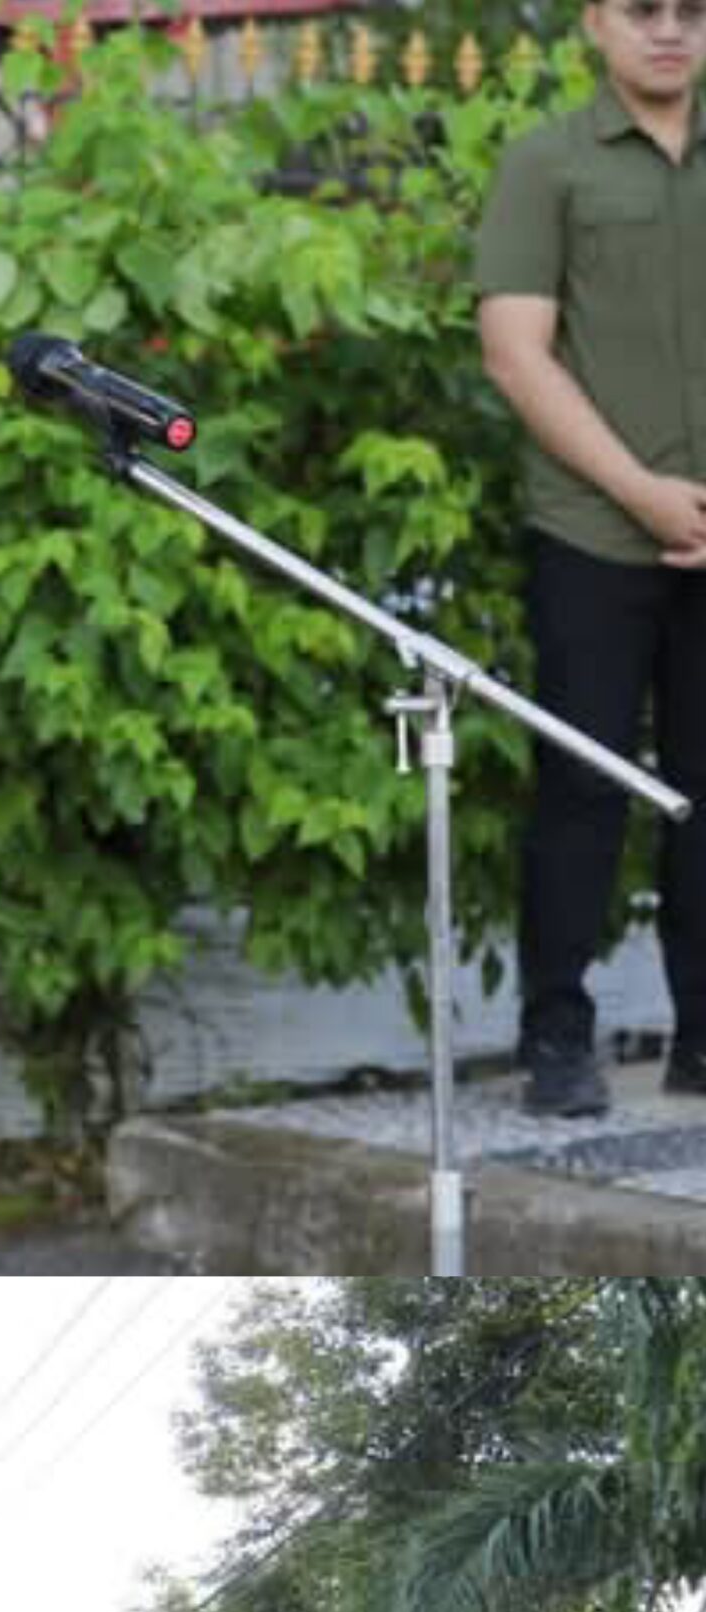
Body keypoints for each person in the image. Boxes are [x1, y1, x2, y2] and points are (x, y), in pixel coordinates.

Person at [476, 0, 706, 1119]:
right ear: (593, 24)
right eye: (643, 10)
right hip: (592, 531)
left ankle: (701, 1040)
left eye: (692, 11)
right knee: (582, 791)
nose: (669, 31)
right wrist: (643, 492)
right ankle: (555, 1040)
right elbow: (515, 355)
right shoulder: (546, 163)